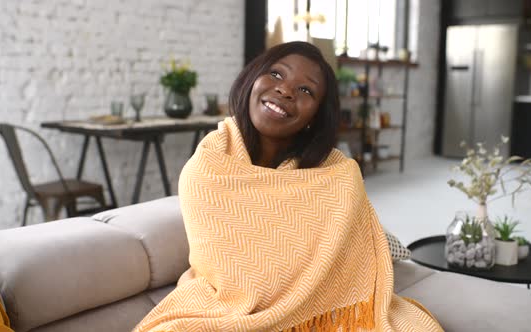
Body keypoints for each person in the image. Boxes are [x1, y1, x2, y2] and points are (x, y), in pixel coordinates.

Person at [133, 41, 442, 331]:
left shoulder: (338, 172)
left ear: (315, 116)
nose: (285, 90)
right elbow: (233, 272)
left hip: (327, 314)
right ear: (253, 79)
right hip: (230, 306)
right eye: (276, 73)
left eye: (306, 90)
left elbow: (353, 248)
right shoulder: (208, 169)